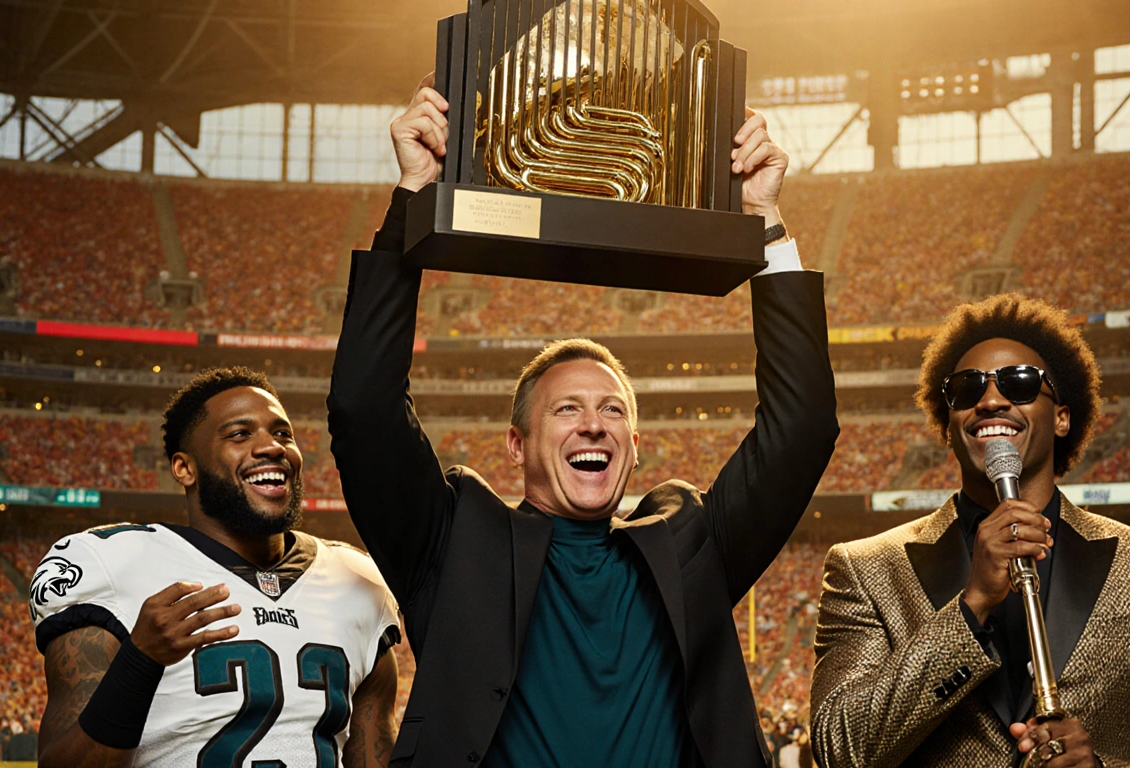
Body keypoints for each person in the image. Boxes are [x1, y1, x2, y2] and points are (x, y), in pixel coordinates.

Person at [327, 75, 838, 766]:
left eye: (612, 411)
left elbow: (802, 425)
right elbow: (364, 409)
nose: (593, 425)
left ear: (635, 445)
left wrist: (764, 222)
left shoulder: (692, 548)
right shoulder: (452, 545)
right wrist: (415, 199)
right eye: (567, 409)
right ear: (517, 443)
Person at [811, 294, 1130, 767]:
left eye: (1020, 383)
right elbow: (837, 750)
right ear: (948, 423)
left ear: (1063, 416)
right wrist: (971, 607)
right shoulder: (865, 570)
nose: (990, 400)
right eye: (967, 389)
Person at [31, 367, 402, 768]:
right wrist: (141, 659)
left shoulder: (357, 579)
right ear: (184, 469)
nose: (272, 447)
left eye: (282, 433)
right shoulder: (108, 564)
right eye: (240, 434)